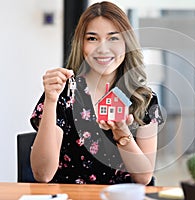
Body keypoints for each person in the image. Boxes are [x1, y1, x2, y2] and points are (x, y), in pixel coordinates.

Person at [30, 1, 163, 185]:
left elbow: (143, 178)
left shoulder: (144, 99)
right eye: (92, 38)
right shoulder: (62, 93)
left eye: (113, 38)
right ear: (81, 44)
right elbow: (42, 175)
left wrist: (122, 133)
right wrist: (51, 101)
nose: (102, 48)